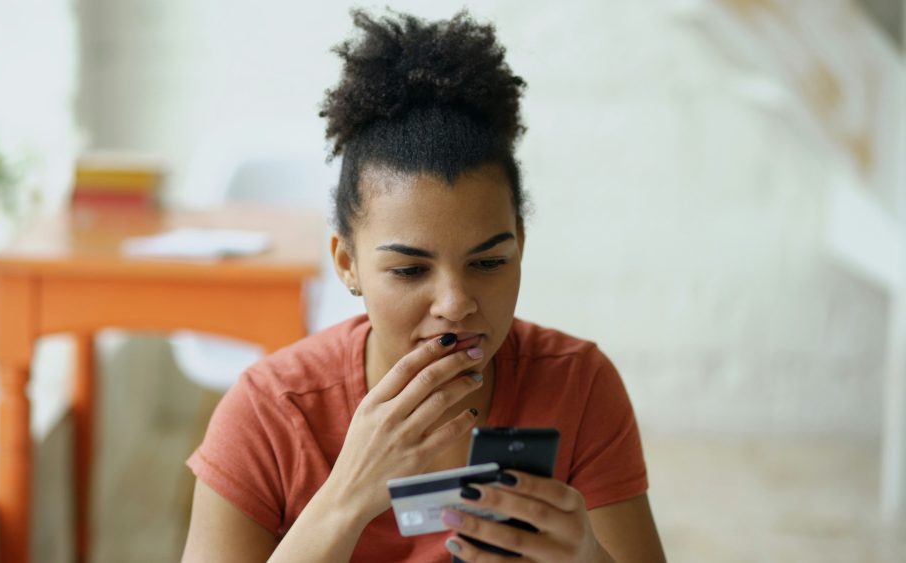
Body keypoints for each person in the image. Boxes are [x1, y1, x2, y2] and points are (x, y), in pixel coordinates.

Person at [182, 9, 665, 563]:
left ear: (521, 247)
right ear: (346, 262)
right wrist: (347, 496)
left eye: (489, 263)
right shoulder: (269, 413)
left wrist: (586, 557)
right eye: (410, 271)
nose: (456, 305)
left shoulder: (578, 387)